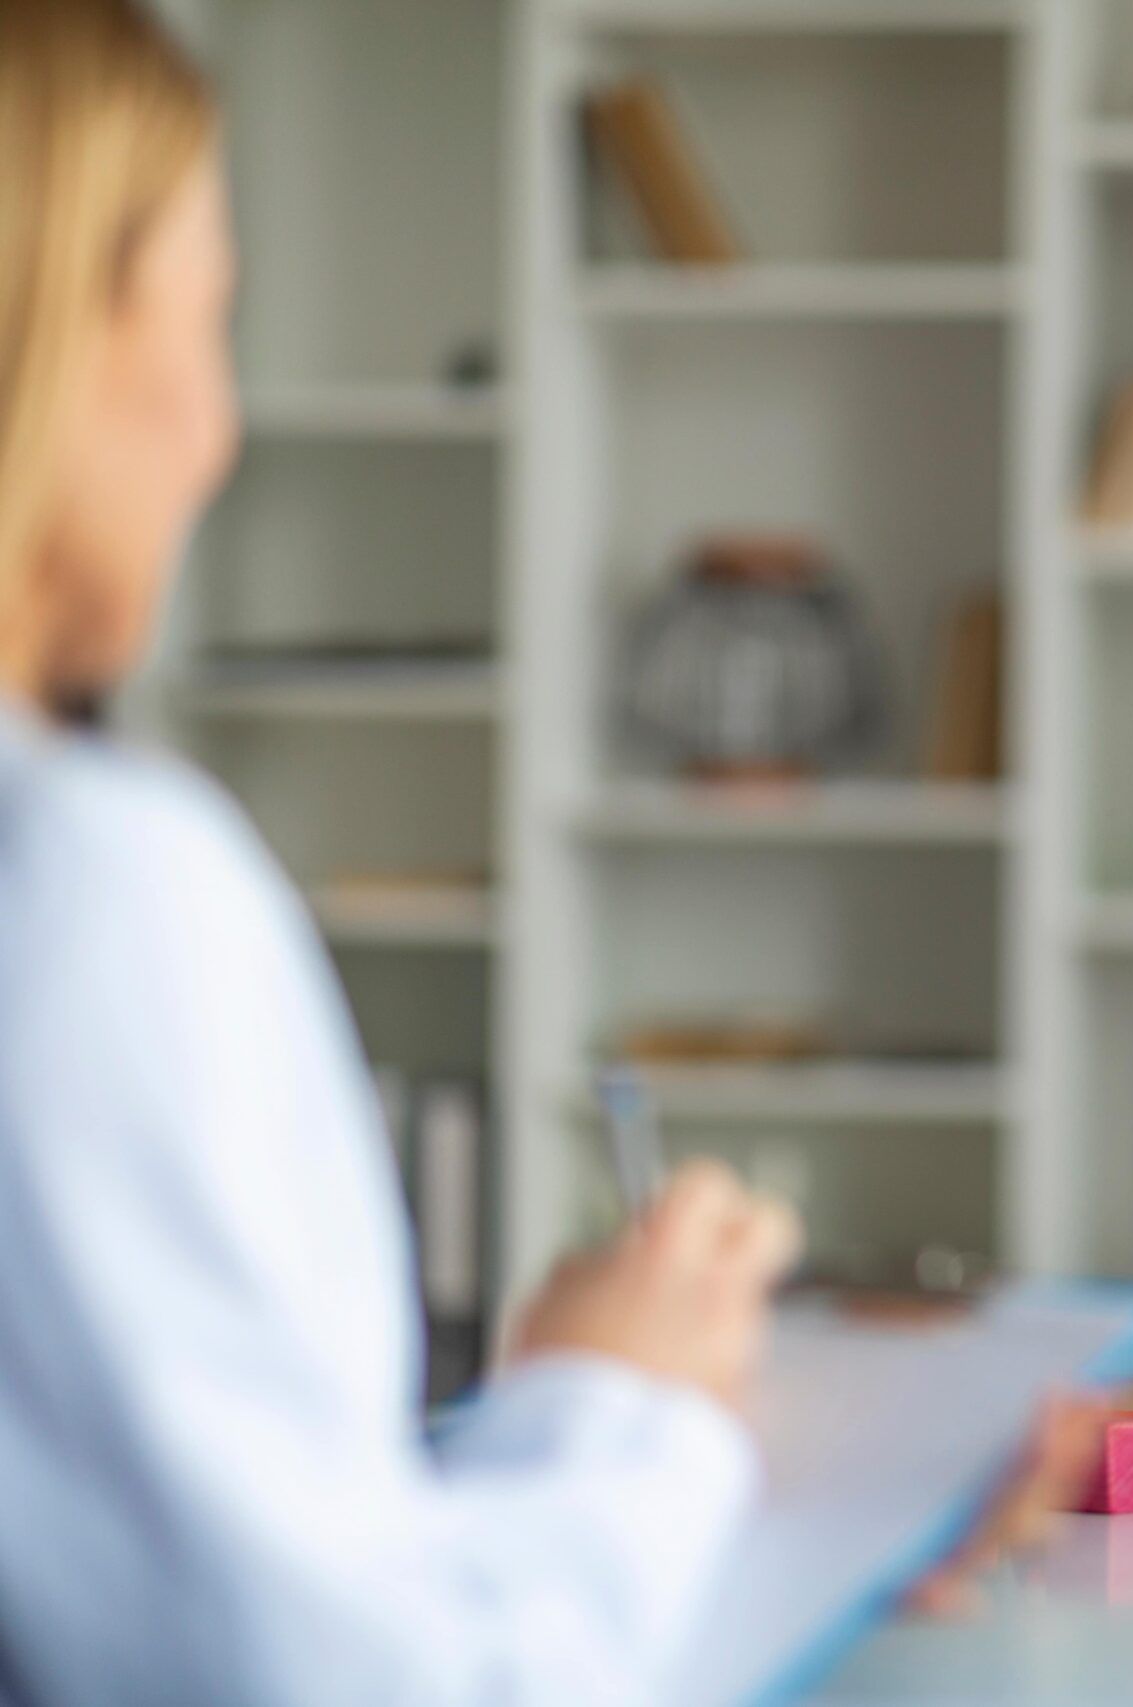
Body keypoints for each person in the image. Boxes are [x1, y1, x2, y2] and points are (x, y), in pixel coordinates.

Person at [0, 3, 1074, 1698]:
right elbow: (361, 1674)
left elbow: (175, 1567)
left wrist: (724, 1500)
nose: (213, 430)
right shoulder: (83, 888)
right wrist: (615, 1403)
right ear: (55, 352)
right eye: (199, 324)